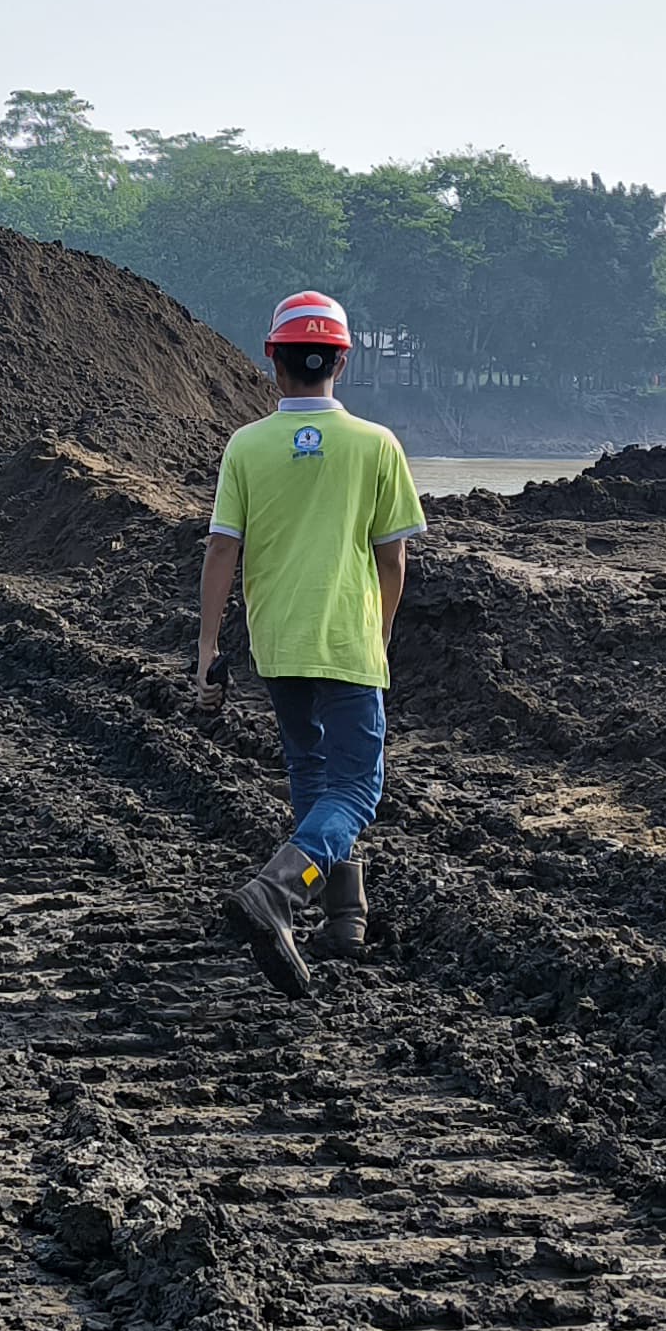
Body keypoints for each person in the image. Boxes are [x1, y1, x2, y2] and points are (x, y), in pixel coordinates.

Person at [190, 291, 424, 998]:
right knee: (359, 786)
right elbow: (393, 560)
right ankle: (279, 892)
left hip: (278, 641)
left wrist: (206, 650)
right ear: (342, 361)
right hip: (347, 641)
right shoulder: (376, 444)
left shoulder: (247, 446)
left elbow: (220, 553)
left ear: (273, 360)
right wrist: (379, 634)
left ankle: (345, 919)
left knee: (314, 775)